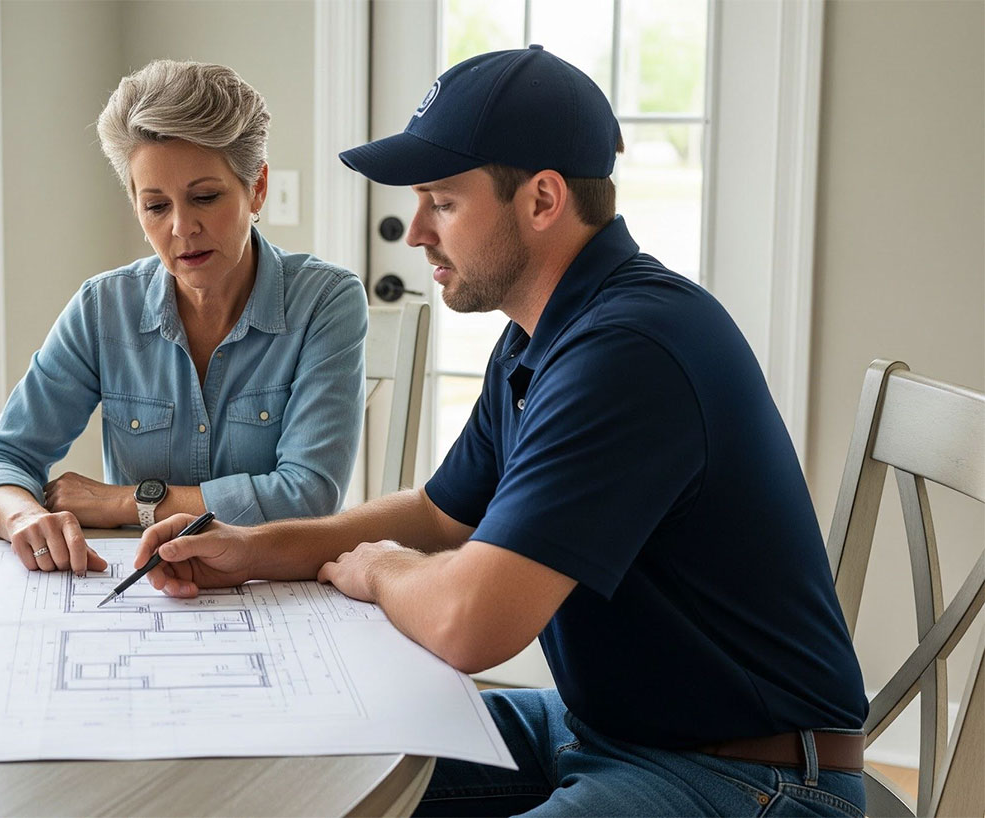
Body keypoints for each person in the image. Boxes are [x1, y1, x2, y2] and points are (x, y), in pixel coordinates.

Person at [135, 46, 868, 817]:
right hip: (603, 728)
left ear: (543, 200)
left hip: (751, 775)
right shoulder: (537, 337)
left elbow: (468, 623)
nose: (415, 231)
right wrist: (256, 551)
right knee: (306, 772)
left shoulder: (629, 352)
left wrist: (379, 570)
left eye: (443, 202)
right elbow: (440, 516)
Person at [0, 60, 367, 577]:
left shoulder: (326, 302)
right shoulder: (103, 308)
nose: (182, 228)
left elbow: (309, 496)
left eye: (205, 197)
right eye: (156, 206)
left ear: (257, 189)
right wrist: (24, 517)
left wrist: (126, 502)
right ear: (135, 204)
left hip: (276, 589)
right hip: (139, 587)